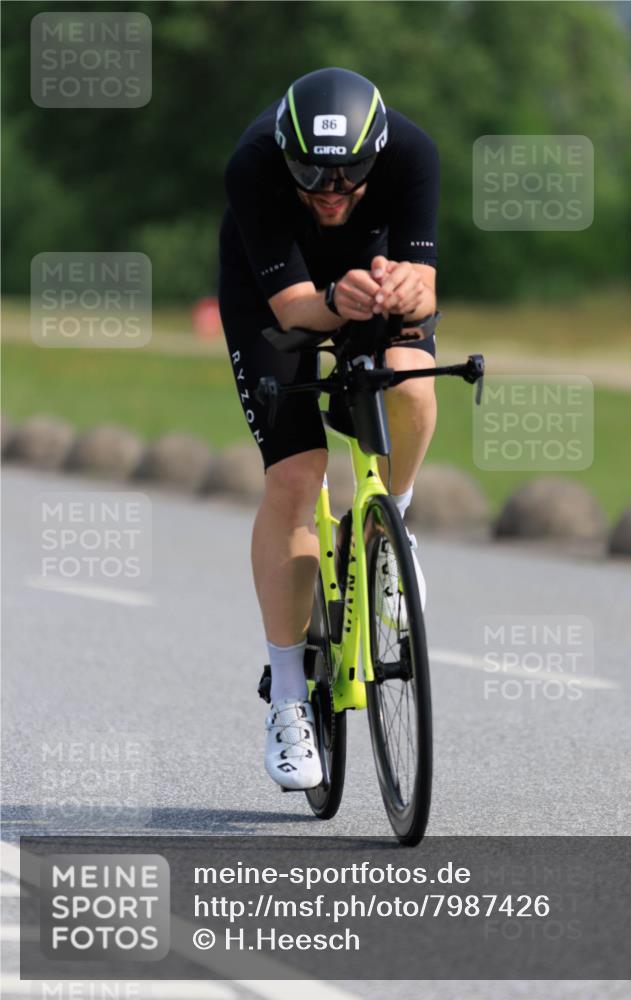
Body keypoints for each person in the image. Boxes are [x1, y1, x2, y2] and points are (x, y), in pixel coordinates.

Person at [218, 67, 439, 791]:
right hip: (276, 299)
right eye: (311, 175)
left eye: (349, 176)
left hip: (366, 281)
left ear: (378, 153)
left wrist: (408, 286)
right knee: (295, 472)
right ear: (284, 152)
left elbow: (426, 283)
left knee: (408, 379)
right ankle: (287, 697)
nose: (331, 192)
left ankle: (391, 531)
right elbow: (289, 311)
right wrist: (332, 302)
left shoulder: (412, 153)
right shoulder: (252, 165)